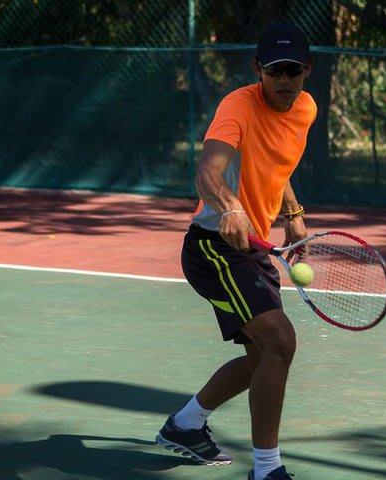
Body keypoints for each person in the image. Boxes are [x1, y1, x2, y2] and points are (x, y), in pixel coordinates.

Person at [156, 23, 317, 480]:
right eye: (274, 71)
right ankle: (266, 470)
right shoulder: (237, 107)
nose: (284, 80)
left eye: (293, 71)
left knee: (262, 357)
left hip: (252, 249)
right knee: (281, 341)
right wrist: (228, 206)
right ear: (257, 70)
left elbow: (277, 161)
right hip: (214, 248)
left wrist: (293, 213)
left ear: (307, 69)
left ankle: (185, 426)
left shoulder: (304, 108)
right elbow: (208, 170)